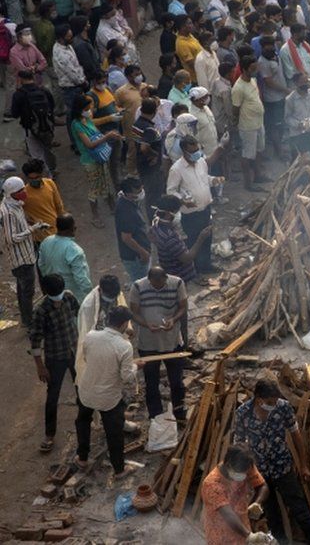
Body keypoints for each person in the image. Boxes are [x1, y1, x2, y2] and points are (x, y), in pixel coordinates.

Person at [232, 379, 310, 544]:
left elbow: (296, 435)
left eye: (275, 401)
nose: (274, 404)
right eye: (270, 402)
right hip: (259, 472)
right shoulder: (242, 413)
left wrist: (303, 465)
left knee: (299, 507)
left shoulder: (283, 407)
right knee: (271, 513)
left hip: (283, 466)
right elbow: (239, 445)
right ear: (259, 399)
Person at [75, 306, 141, 476]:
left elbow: (87, 358)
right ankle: (119, 469)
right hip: (108, 397)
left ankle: (82, 458)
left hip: (86, 390)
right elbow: (126, 377)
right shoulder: (124, 346)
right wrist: (135, 366)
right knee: (114, 433)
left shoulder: (91, 336)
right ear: (124, 323)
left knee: (83, 423)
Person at [129, 266, 189, 420]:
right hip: (148, 345)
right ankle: (155, 416)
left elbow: (183, 306)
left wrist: (173, 320)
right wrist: (146, 324)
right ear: (149, 280)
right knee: (151, 383)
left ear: (165, 278)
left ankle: (179, 412)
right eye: (154, 285)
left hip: (172, 342)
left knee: (176, 381)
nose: (158, 288)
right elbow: (133, 312)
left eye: (161, 284)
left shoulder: (177, 283)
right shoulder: (138, 287)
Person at [30, 273, 80, 453]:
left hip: (73, 351)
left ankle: (86, 421)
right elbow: (35, 339)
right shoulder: (41, 310)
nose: (58, 298)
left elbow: (77, 312)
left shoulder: (68, 297)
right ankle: (49, 434)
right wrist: (40, 366)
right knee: (53, 396)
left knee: (81, 387)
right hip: (54, 356)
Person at [167, 135, 223, 274]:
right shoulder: (176, 169)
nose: (196, 153)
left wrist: (214, 180)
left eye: (197, 149)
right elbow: (171, 191)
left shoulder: (201, 162)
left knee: (207, 238)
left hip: (205, 209)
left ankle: (206, 265)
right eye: (193, 151)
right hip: (191, 214)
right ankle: (197, 269)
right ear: (184, 152)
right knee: (194, 241)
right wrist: (183, 200)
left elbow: (205, 179)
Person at [201, 445, 270, 545]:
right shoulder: (212, 484)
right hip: (220, 534)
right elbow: (228, 515)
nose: (244, 476)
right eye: (241, 473)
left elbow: (263, 486)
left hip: (243, 526)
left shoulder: (245, 465)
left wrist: (257, 503)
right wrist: (249, 536)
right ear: (228, 465)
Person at [0, 176, 45, 327]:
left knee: (22, 289)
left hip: (26, 253)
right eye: (20, 191)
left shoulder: (15, 205)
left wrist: (32, 223)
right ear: (12, 193)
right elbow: (11, 238)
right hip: (20, 259)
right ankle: (29, 321)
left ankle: (27, 316)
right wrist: (32, 229)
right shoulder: (7, 212)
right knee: (28, 291)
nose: (24, 192)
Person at [69, 95, 120, 227]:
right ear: (80, 109)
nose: (90, 110)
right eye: (87, 108)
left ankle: (113, 207)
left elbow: (96, 134)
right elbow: (89, 145)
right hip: (90, 160)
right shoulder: (77, 125)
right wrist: (107, 136)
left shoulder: (87, 119)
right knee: (95, 188)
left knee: (107, 182)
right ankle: (95, 216)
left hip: (100, 157)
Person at [150, 194, 210, 282]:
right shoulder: (169, 237)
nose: (178, 214)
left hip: (168, 268)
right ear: (167, 214)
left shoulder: (156, 223)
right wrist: (201, 238)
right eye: (176, 211)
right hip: (180, 276)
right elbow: (187, 258)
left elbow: (152, 237)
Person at [11, 70, 58, 176]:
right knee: (48, 149)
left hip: (29, 127)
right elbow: (52, 105)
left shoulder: (18, 94)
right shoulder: (43, 90)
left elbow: (14, 113)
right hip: (47, 126)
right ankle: (52, 169)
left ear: (21, 79)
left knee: (36, 153)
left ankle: (46, 176)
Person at [38, 213, 93, 300]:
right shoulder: (74, 250)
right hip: (73, 297)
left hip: (54, 294)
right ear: (72, 229)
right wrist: (91, 295)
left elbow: (42, 265)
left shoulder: (46, 242)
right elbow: (81, 279)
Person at [232, 55, 266, 191]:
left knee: (259, 150)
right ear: (244, 69)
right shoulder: (238, 88)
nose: (255, 70)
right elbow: (235, 108)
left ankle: (258, 175)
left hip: (259, 122)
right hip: (248, 126)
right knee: (247, 154)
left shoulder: (253, 80)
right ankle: (248, 183)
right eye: (252, 68)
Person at [88, 70, 125, 190]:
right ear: (94, 82)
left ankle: (119, 184)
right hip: (105, 135)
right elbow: (90, 121)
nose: (102, 84)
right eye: (100, 82)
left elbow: (113, 106)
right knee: (107, 164)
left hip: (116, 131)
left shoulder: (107, 90)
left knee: (116, 161)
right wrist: (109, 118)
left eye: (104, 81)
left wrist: (119, 110)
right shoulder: (91, 97)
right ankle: (110, 188)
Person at [257, 35, 288, 159]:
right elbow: (268, 82)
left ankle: (279, 147)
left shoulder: (275, 55)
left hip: (281, 96)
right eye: (269, 45)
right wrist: (285, 89)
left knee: (281, 124)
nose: (272, 47)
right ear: (264, 47)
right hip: (272, 98)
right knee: (275, 126)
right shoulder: (262, 61)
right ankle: (279, 152)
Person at [52, 24, 86, 141]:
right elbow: (72, 74)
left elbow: (76, 65)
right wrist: (82, 81)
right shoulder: (61, 54)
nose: (71, 38)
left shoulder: (67, 46)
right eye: (68, 37)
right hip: (71, 88)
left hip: (76, 83)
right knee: (73, 116)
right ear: (61, 38)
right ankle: (76, 141)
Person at [116, 177, 152, 281]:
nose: (141, 193)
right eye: (138, 191)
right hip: (135, 257)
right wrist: (143, 253)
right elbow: (126, 238)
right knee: (142, 284)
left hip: (139, 251)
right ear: (128, 193)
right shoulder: (126, 211)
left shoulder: (128, 201)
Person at [21, 158, 64, 245]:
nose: (34, 180)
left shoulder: (50, 183)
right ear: (27, 178)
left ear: (42, 174)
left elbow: (59, 206)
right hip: (40, 238)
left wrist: (64, 225)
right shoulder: (23, 194)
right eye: (31, 178)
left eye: (37, 177)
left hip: (57, 230)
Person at [114, 64, 147, 174]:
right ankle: (131, 173)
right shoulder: (121, 92)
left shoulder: (145, 87)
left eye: (139, 74)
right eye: (136, 75)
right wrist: (121, 112)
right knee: (132, 150)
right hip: (131, 127)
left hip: (146, 123)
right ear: (128, 77)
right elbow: (116, 106)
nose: (139, 76)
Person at [283, 72, 310, 155]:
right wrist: (298, 124)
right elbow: (287, 118)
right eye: (303, 82)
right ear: (296, 84)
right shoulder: (290, 100)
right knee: (306, 160)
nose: (306, 84)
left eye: (307, 81)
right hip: (300, 135)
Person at [133, 98, 164, 211]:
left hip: (142, 164)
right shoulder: (149, 129)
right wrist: (154, 154)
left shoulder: (137, 124)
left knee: (149, 192)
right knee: (154, 195)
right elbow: (144, 147)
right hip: (151, 167)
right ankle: (153, 219)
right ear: (154, 111)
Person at [279, 23, 310, 87]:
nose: (305, 36)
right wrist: (304, 79)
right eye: (303, 34)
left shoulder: (306, 45)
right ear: (295, 35)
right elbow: (289, 74)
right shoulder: (285, 50)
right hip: (298, 87)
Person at [69, 16, 98, 80]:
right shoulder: (80, 44)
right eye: (88, 23)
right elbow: (88, 64)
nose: (89, 25)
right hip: (91, 77)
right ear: (84, 27)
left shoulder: (84, 39)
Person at [174, 15, 202, 83]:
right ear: (182, 27)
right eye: (189, 23)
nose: (192, 25)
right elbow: (192, 64)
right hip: (197, 78)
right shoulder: (181, 44)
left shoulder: (189, 35)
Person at [211, 62, 234, 136]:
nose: (234, 73)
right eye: (232, 72)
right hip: (223, 120)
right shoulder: (225, 90)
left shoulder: (217, 81)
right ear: (228, 74)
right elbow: (228, 109)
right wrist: (233, 121)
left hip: (216, 115)